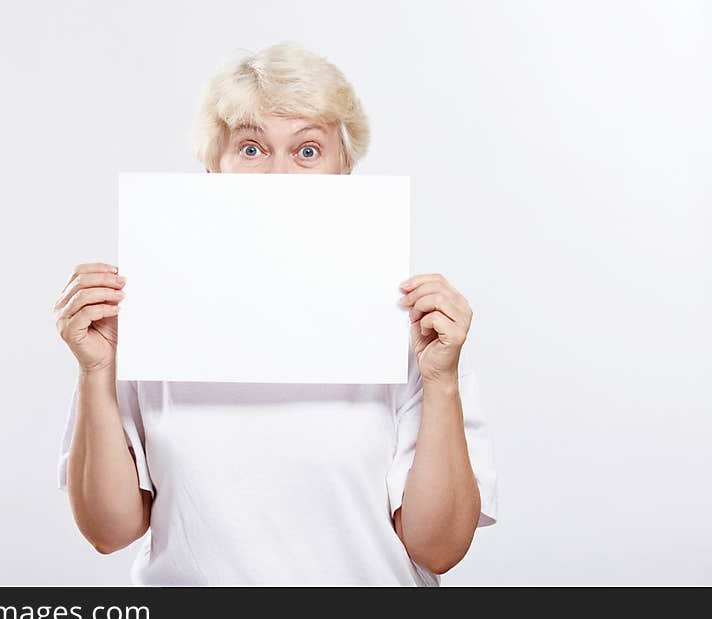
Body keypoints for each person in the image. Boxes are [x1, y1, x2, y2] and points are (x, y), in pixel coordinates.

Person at [53, 43, 497, 586]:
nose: (280, 174)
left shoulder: (410, 331)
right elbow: (108, 531)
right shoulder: (150, 322)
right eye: (251, 148)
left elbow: (440, 547)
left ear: (344, 169)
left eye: (308, 150)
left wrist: (442, 380)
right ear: (213, 167)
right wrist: (96, 372)